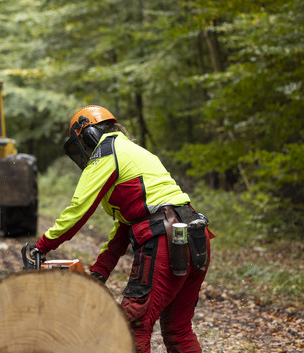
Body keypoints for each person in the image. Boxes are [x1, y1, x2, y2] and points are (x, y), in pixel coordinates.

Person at [31, 105, 214, 353]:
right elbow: (123, 230)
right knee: (178, 329)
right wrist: (99, 272)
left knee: (132, 327)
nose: (84, 151)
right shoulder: (135, 152)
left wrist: (42, 245)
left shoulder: (106, 153)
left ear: (88, 136)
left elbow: (78, 210)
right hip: (194, 233)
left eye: (82, 145)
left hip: (164, 237)